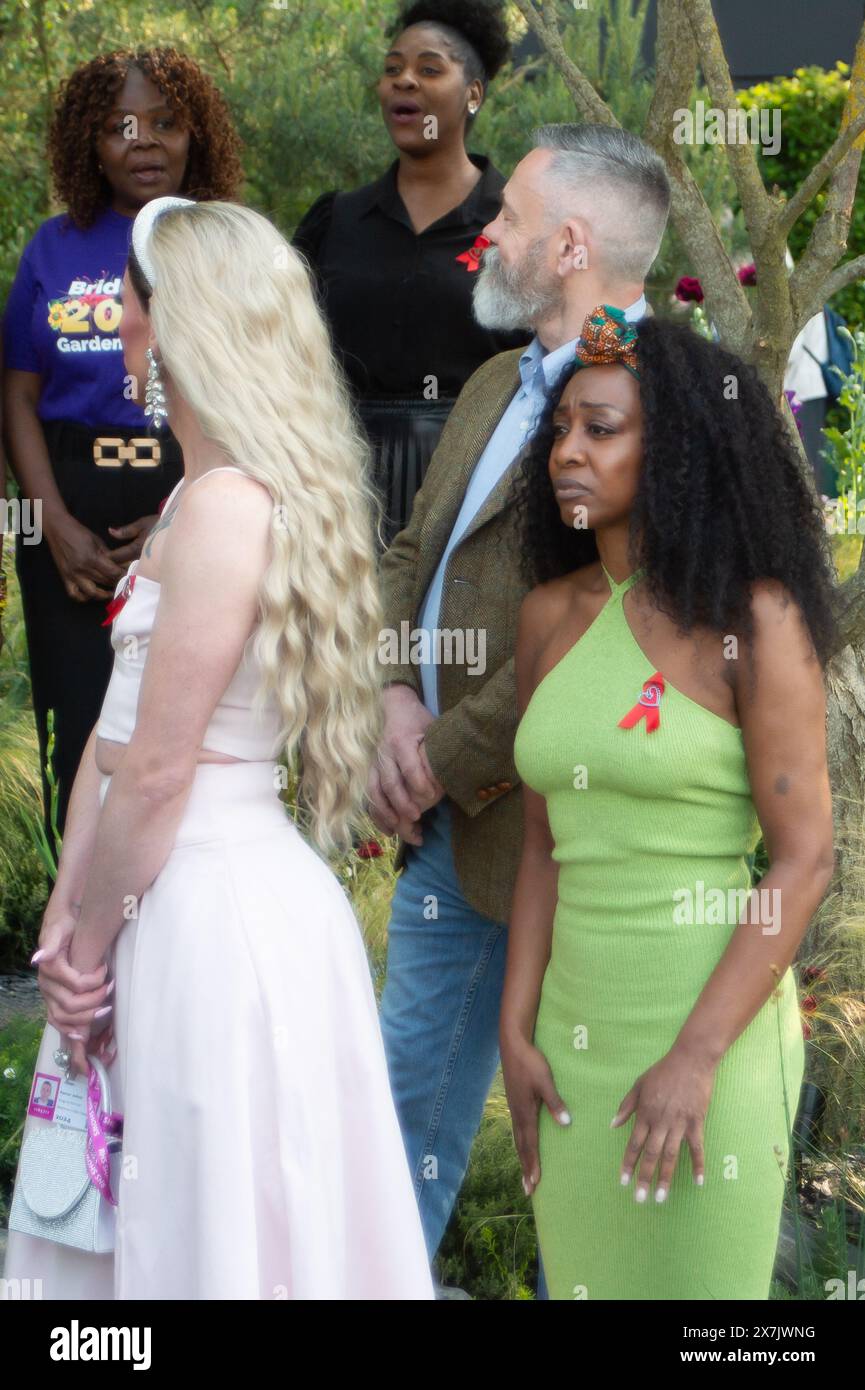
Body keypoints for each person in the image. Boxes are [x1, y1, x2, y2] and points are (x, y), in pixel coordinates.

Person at [2, 198, 434, 1301]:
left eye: (131, 307)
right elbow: (109, 742)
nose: (117, 329)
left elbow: (158, 767)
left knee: (206, 1233)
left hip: (203, 916)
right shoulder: (195, 494)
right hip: (146, 894)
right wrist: (67, 911)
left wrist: (88, 948)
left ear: (177, 322)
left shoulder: (228, 509)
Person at [366, 123, 670, 1269]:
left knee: (579, 1140)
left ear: (571, 244)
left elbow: (600, 623)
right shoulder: (499, 376)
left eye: (509, 217)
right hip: (449, 831)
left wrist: (437, 753)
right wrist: (395, 694)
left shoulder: (662, 401)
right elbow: (412, 552)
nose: (485, 230)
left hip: (576, 842)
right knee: (403, 1106)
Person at [501, 305, 835, 1299]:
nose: (568, 451)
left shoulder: (753, 619)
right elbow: (539, 848)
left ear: (678, 449)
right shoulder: (547, 618)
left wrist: (693, 1059)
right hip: (570, 1048)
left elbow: (804, 859)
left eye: (601, 430)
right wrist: (514, 1034)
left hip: (712, 1044)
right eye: (561, 428)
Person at [2, 47, 243, 857]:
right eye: (120, 127)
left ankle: (167, 910)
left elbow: (259, 395)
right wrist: (51, 525)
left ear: (195, 135)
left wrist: (179, 526)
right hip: (67, 514)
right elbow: (17, 396)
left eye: (166, 123)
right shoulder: (51, 249)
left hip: (189, 501)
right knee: (81, 732)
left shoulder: (223, 244)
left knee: (181, 729)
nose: (144, 142)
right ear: (90, 143)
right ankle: (78, 933)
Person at [293, 0, 530, 548]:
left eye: (429, 69)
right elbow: (281, 351)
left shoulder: (514, 224)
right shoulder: (336, 221)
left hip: (480, 485)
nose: (404, 81)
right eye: (393, 67)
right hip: (338, 491)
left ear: (474, 93)